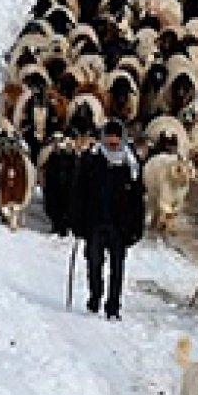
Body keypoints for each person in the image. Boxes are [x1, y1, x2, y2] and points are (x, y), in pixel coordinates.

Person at [73, 120, 145, 320]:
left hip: (120, 226)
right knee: (94, 264)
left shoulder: (132, 164)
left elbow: (138, 199)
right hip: (95, 222)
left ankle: (113, 306)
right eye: (109, 137)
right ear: (104, 138)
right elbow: (79, 193)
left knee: (117, 268)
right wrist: (77, 222)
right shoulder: (91, 159)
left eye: (116, 137)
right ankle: (95, 298)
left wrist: (136, 227)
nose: (113, 141)